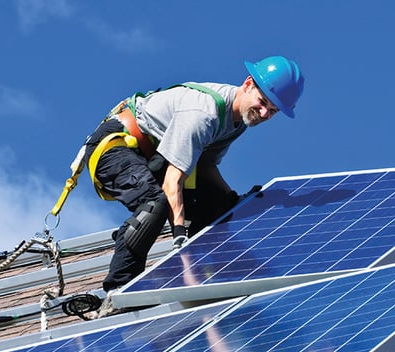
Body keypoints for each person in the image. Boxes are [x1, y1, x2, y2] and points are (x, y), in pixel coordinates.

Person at [83, 55, 304, 317]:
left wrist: (232, 200)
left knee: (218, 207)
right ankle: (118, 292)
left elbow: (206, 167)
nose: (265, 113)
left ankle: (215, 273)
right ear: (248, 84)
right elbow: (172, 181)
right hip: (114, 147)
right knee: (155, 204)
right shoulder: (205, 113)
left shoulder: (236, 122)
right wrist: (179, 236)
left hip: (153, 158)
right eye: (263, 102)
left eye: (274, 111)